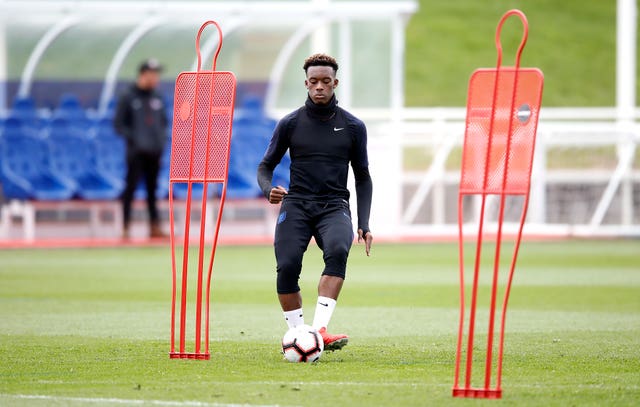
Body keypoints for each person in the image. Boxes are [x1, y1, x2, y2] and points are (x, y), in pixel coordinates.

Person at [257, 53, 373, 351]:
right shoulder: (290, 123)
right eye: (313, 81)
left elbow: (362, 176)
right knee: (287, 265)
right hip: (296, 204)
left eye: (325, 81)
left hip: (334, 205)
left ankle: (319, 330)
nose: (319, 86)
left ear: (335, 83)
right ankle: (299, 335)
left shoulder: (353, 126)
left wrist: (364, 223)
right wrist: (268, 188)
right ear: (306, 83)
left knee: (337, 250)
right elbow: (265, 166)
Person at [114, 58, 168, 239]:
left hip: (155, 152)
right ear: (143, 75)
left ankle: (154, 227)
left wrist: (159, 140)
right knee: (130, 189)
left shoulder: (157, 97)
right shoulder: (128, 96)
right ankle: (125, 227)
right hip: (136, 153)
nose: (156, 78)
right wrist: (136, 140)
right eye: (153, 74)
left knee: (153, 191)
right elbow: (119, 125)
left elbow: (163, 122)